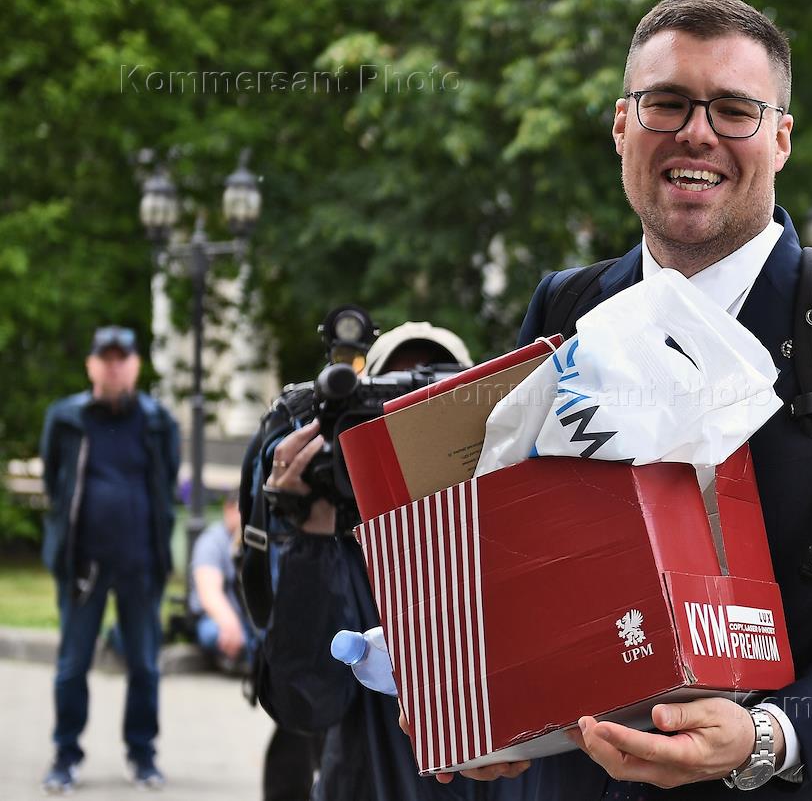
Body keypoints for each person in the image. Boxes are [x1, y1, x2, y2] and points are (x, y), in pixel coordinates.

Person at [451, 0, 812, 799]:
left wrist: (771, 735)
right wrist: (472, 695)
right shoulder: (565, 304)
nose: (696, 133)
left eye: (734, 110)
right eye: (666, 103)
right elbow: (517, 553)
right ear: (622, 125)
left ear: (781, 138)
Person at [246, 321, 482, 801]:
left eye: (434, 403)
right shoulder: (346, 555)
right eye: (392, 406)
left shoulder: (502, 541)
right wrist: (312, 529)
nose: (415, 429)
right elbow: (305, 703)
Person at [38, 325, 180, 793]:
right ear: (91, 365)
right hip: (83, 566)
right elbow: (54, 481)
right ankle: (65, 755)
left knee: (145, 665)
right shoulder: (66, 418)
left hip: (141, 565)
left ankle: (142, 755)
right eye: (106, 358)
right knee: (72, 665)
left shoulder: (158, 421)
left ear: (136, 365)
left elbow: (166, 482)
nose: (115, 367)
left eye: (123, 359)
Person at [190, 491, 255, 668]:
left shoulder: (254, 539)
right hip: (217, 619)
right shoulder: (212, 541)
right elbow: (209, 594)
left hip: (248, 620)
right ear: (228, 509)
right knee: (218, 633)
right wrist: (231, 625)